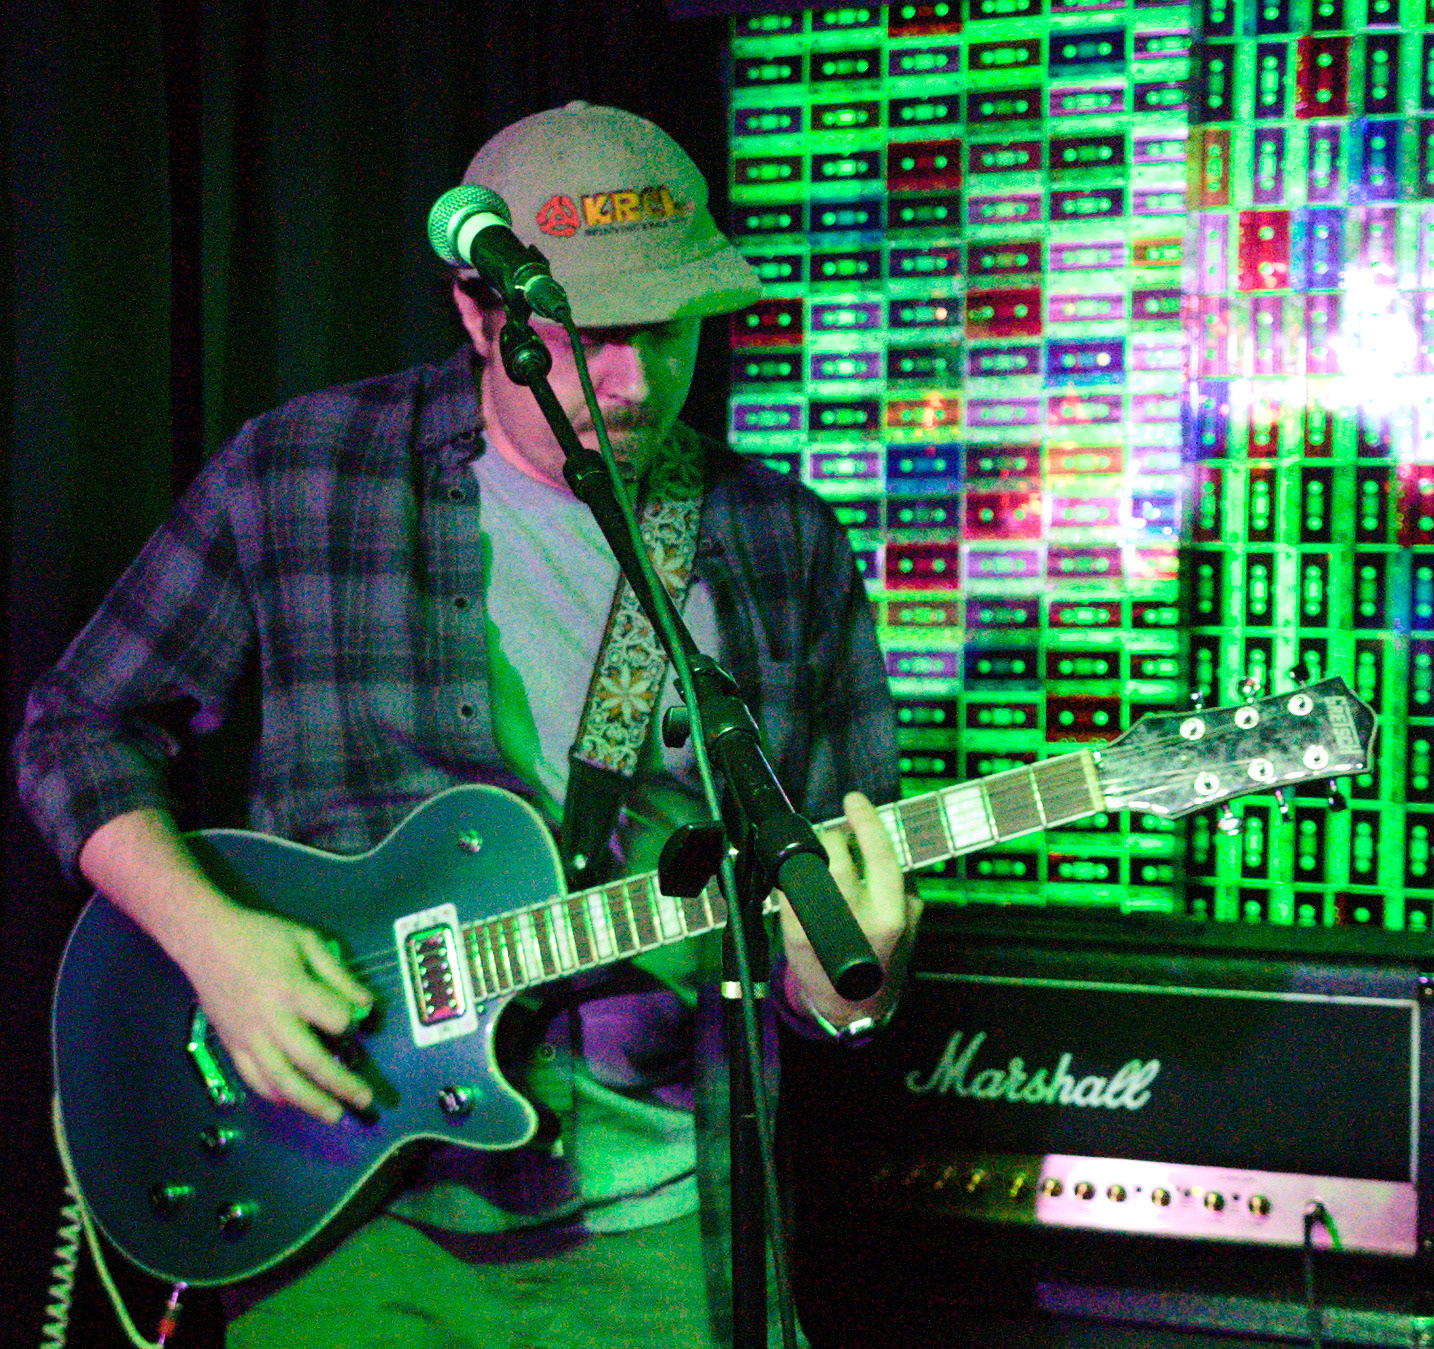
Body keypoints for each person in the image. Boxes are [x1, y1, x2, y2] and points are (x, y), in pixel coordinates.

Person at [15, 101, 917, 1348]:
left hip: (668, 1225)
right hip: (350, 1208)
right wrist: (214, 941)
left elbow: (838, 913)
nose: (633, 383)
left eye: (668, 332)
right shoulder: (303, 472)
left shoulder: (780, 540)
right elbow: (76, 726)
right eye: (590, 335)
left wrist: (845, 984)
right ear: (478, 312)